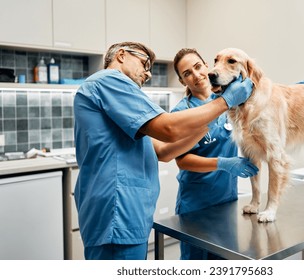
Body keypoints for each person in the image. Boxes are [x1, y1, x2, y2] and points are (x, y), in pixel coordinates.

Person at [73, 42, 254, 260]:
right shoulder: (110, 81)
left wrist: (214, 112)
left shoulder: (122, 95)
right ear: (121, 55)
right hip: (117, 212)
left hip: (130, 212)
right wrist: (225, 103)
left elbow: (162, 150)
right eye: (144, 63)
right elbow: (168, 128)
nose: (148, 73)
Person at [171, 48, 259, 259]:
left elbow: (263, 95)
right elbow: (182, 161)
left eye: (198, 66)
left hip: (227, 201)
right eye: (187, 73)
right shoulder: (182, 112)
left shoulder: (231, 101)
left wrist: (301, 90)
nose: (196, 75)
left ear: (208, 65)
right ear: (183, 81)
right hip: (196, 205)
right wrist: (223, 163)